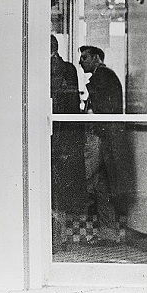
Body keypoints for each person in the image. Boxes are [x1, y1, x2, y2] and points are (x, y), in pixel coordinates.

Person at [79, 45, 134, 245]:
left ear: (96, 58)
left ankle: (67, 221)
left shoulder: (101, 77)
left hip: (102, 137)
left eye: (84, 58)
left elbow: (102, 109)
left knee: (85, 176)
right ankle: (107, 231)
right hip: (108, 137)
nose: (80, 62)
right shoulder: (106, 76)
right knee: (103, 184)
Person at [49, 35, 86, 250]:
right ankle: (57, 237)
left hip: (59, 135)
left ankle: (56, 238)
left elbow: (63, 102)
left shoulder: (60, 69)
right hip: (62, 135)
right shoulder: (67, 68)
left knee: (57, 185)